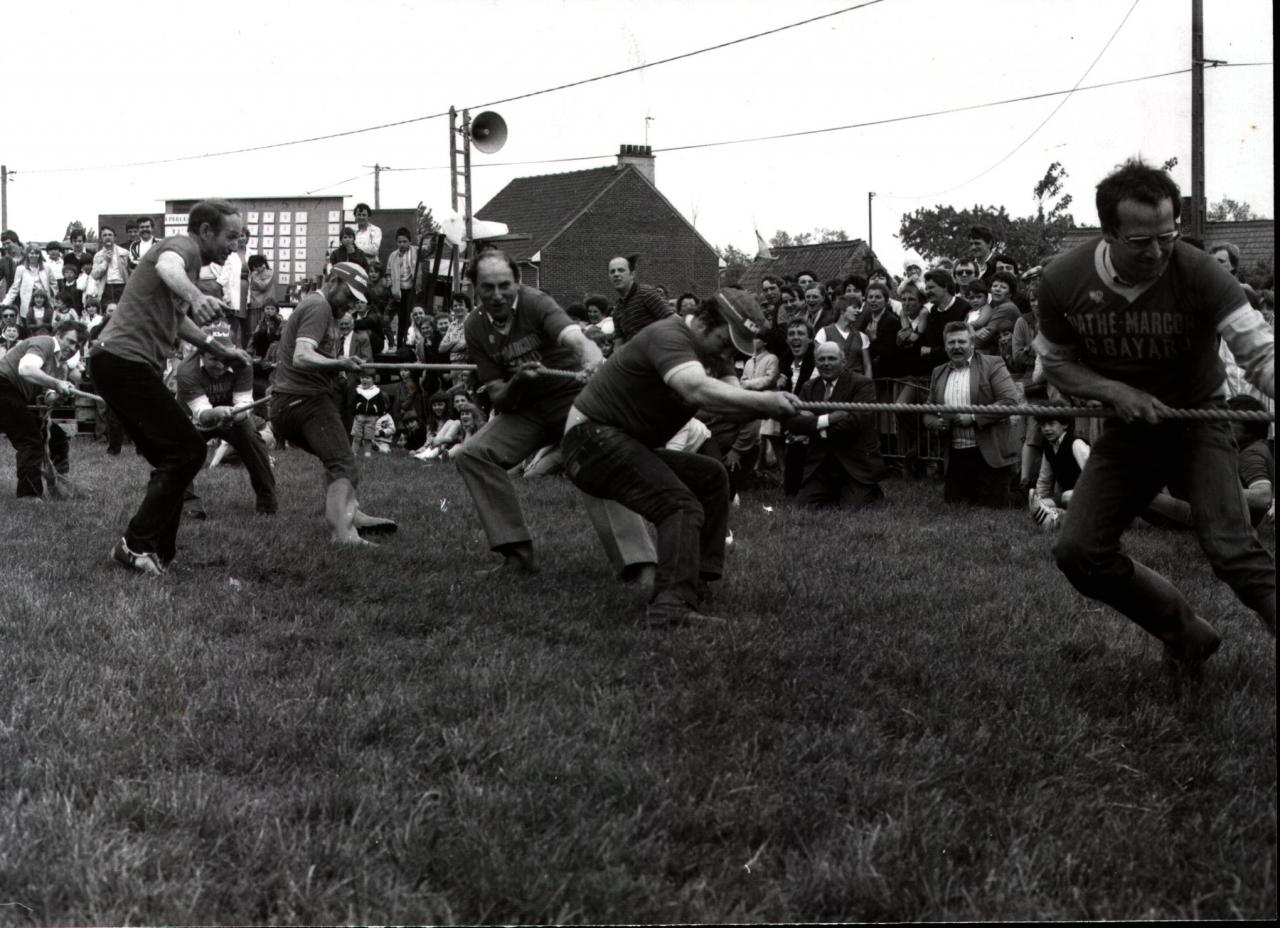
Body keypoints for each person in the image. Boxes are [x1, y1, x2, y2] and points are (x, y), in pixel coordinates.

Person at [1033, 157, 1275, 662]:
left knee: (1233, 551)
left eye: (1169, 234)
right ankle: (1185, 634)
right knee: (1078, 552)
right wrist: (1114, 393)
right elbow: (1056, 365)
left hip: (1198, 424)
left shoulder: (1199, 271)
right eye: (1142, 241)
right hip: (1129, 430)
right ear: (1108, 233)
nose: (1160, 250)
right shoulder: (1062, 280)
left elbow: (1259, 351)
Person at [561, 289, 800, 627]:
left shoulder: (711, 354)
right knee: (679, 505)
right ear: (703, 321)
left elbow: (733, 400)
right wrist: (768, 402)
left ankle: (696, 581)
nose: (729, 351)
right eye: (727, 340)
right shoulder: (670, 335)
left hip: (620, 441)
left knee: (711, 476)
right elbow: (696, 390)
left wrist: (776, 406)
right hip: (590, 441)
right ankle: (669, 607)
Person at [454, 250, 656, 581]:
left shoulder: (536, 303)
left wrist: (592, 361)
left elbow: (577, 339)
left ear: (518, 283)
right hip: (527, 409)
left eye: (504, 285)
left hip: (573, 402)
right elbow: (499, 398)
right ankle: (517, 557)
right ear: (475, 288)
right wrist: (518, 380)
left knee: (595, 461)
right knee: (473, 455)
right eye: (487, 287)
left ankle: (640, 567)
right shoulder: (474, 326)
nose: (497, 295)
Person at [90, 200, 252, 575]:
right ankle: (135, 545)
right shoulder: (182, 247)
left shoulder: (190, 262)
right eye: (231, 236)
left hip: (116, 364)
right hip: (123, 362)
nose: (236, 243)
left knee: (177, 455)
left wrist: (218, 348)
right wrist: (197, 296)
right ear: (207, 231)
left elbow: (176, 320)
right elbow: (166, 266)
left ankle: (159, 554)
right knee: (186, 450)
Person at [269, 262, 397, 544]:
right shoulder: (319, 307)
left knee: (335, 457)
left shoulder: (322, 309)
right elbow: (301, 356)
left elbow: (312, 358)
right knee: (343, 463)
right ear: (333, 280)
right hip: (303, 401)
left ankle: (353, 513)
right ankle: (343, 534)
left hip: (291, 403)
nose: (350, 305)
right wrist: (340, 362)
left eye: (356, 301)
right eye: (348, 296)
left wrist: (336, 371)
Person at [176, 336, 277, 517]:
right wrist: (218, 414)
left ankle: (267, 504)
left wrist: (235, 415)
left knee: (254, 444)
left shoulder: (243, 363)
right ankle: (189, 504)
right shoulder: (186, 370)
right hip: (194, 417)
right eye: (214, 359)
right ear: (201, 355)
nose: (221, 365)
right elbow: (202, 414)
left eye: (226, 359)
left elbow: (243, 403)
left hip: (232, 413)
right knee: (180, 453)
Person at [923, 321, 1020, 506]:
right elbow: (927, 413)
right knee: (955, 504)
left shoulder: (993, 364)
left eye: (962, 342)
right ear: (945, 346)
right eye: (951, 343)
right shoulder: (938, 372)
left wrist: (974, 417)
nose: (956, 347)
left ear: (972, 344)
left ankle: (1023, 493)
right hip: (956, 454)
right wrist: (937, 424)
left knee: (996, 505)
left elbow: (1010, 402)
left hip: (989, 452)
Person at [786, 341, 887, 508]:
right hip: (821, 466)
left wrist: (812, 427)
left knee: (851, 509)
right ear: (815, 363)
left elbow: (855, 423)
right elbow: (793, 422)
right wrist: (828, 420)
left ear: (844, 361)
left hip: (854, 464)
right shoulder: (809, 387)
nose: (826, 363)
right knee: (801, 506)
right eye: (821, 359)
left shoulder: (862, 384)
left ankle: (871, 490)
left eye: (832, 358)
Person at [0, 320, 82, 498]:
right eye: (70, 341)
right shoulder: (45, 342)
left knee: (57, 437)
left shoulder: (60, 366)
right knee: (31, 440)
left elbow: (49, 397)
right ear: (59, 335)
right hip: (3, 387)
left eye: (78, 345)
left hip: (11, 398)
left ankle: (60, 487)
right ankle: (28, 496)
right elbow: (26, 368)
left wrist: (59, 395)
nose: (73, 348)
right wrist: (56, 382)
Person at [608, 254, 674, 345]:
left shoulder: (645, 293)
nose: (616, 274)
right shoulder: (617, 310)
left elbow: (674, 321)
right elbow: (619, 346)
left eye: (621, 270)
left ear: (632, 275)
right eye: (612, 272)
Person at [385, 227, 418, 348]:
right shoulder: (393, 256)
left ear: (409, 242)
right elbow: (388, 272)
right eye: (399, 242)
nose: (402, 244)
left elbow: (428, 252)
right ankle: (400, 347)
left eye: (405, 241)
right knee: (401, 320)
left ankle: (410, 346)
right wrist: (390, 284)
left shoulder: (415, 251)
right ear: (396, 242)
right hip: (399, 292)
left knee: (411, 319)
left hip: (412, 290)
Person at [349, 370, 389, 457]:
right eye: (362, 377)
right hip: (359, 417)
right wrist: (354, 413)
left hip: (371, 418)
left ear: (373, 380)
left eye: (367, 378)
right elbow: (352, 403)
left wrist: (378, 415)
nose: (364, 380)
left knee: (368, 436)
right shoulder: (358, 390)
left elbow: (381, 405)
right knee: (356, 436)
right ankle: (353, 452)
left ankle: (367, 453)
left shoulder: (377, 392)